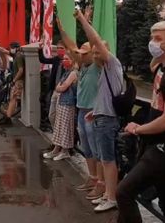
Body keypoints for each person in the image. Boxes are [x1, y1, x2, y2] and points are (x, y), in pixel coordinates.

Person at [116, 21, 165, 223]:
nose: (152, 43)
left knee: (124, 192)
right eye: (151, 38)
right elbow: (153, 64)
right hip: (156, 144)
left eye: (158, 39)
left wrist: (139, 129)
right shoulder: (162, 66)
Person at [75, 8, 123, 212]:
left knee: (108, 160)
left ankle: (111, 197)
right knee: (105, 159)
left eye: (97, 52)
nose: (94, 55)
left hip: (108, 121)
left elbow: (94, 39)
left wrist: (82, 20)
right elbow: (106, 97)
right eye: (93, 53)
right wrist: (95, 111)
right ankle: (107, 194)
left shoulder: (111, 63)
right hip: (101, 116)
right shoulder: (105, 69)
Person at [57, 16, 104, 201]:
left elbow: (95, 42)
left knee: (97, 150)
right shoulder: (83, 65)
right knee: (88, 149)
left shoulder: (98, 65)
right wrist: (62, 30)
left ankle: (101, 183)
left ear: (93, 53)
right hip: (82, 111)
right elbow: (71, 47)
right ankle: (92, 178)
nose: (80, 54)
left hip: (94, 113)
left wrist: (85, 21)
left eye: (85, 51)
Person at [43, 55, 78, 161]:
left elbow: (63, 87)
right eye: (64, 59)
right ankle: (56, 148)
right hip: (62, 101)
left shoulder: (73, 73)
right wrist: (60, 87)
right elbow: (58, 86)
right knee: (59, 126)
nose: (64, 61)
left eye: (68, 59)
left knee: (65, 128)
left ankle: (65, 151)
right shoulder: (66, 72)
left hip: (68, 103)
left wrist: (60, 87)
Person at [38, 39, 66, 132]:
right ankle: (56, 132)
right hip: (54, 89)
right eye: (57, 48)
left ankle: (59, 136)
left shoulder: (69, 61)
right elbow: (43, 60)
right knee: (52, 114)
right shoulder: (56, 59)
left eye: (61, 48)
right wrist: (40, 49)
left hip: (64, 91)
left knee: (61, 115)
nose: (59, 50)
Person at [0, 42, 25, 126]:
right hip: (17, 81)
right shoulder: (15, 55)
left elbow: (21, 70)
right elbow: (4, 51)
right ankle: (7, 116)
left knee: (13, 99)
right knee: (12, 99)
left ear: (16, 48)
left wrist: (14, 80)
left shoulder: (18, 56)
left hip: (18, 81)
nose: (10, 49)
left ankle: (8, 118)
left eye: (11, 47)